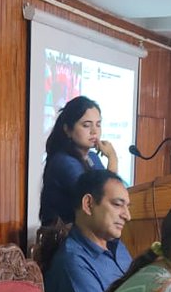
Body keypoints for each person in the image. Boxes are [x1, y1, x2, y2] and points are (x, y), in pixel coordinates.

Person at [44, 169, 132, 292]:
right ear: (88, 204)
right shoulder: (73, 263)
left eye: (127, 207)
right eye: (117, 204)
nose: (127, 216)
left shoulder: (117, 247)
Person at [39, 95, 119, 226]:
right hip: (65, 239)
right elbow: (101, 198)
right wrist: (113, 158)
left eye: (98, 125)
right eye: (86, 125)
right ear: (68, 130)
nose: (94, 131)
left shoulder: (93, 157)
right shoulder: (63, 161)